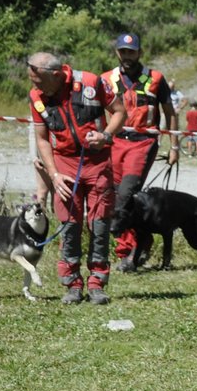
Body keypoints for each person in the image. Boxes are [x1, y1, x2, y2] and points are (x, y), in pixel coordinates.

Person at [28, 52, 126, 304]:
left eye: (39, 82)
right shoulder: (36, 97)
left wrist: (105, 135)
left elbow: (119, 112)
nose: (35, 87)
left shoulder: (92, 82)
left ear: (56, 74)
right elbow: (41, 138)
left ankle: (97, 284)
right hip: (64, 165)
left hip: (97, 161)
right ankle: (72, 285)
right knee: (69, 225)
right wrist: (54, 175)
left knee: (100, 224)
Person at [104, 33, 178, 272]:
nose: (127, 56)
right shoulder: (106, 79)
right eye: (123, 51)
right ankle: (129, 249)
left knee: (126, 194)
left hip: (143, 141)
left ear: (140, 53)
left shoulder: (156, 78)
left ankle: (137, 249)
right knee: (113, 196)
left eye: (131, 51)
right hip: (115, 142)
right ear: (117, 52)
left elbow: (171, 113)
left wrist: (174, 146)